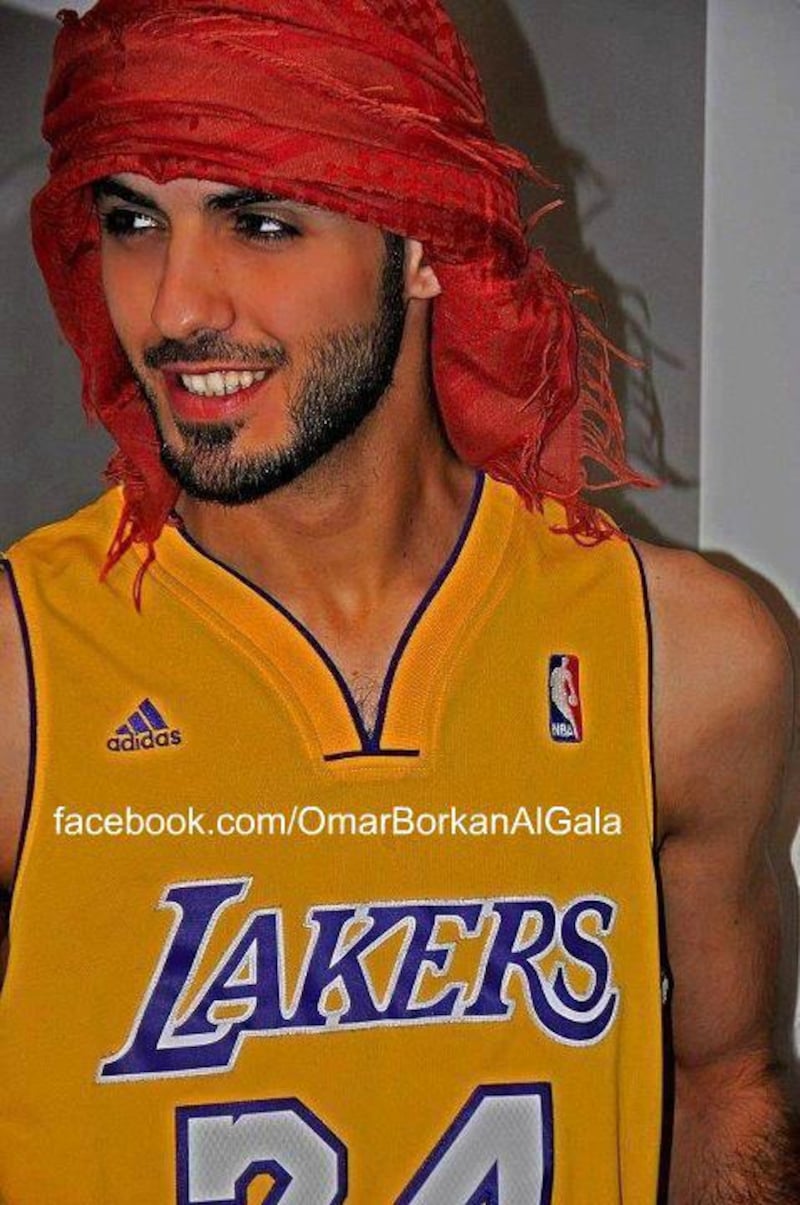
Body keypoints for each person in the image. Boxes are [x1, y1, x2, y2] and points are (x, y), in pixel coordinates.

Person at [0, 1, 795, 1201]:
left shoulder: (682, 660)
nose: (173, 306)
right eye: (132, 221)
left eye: (259, 223)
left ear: (424, 245)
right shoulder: (23, 677)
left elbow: (725, 1087)